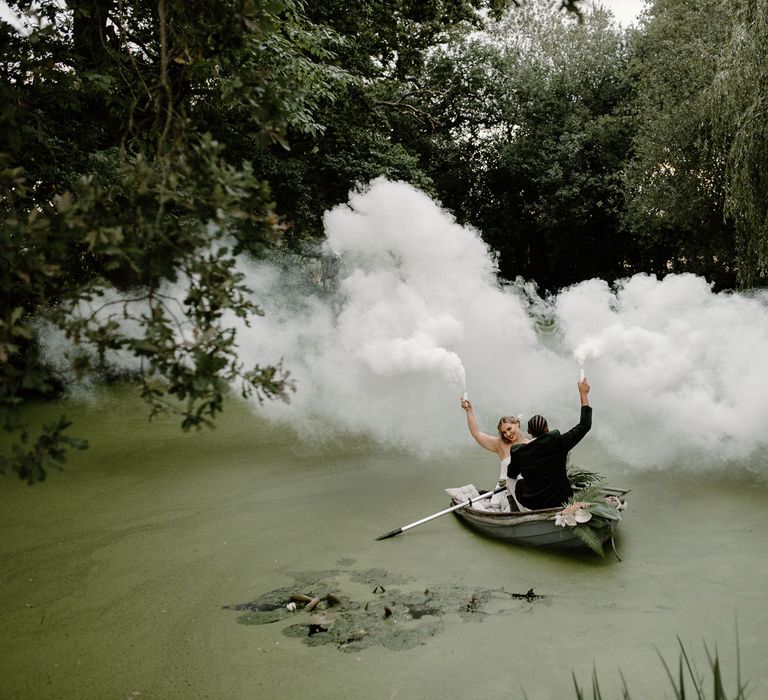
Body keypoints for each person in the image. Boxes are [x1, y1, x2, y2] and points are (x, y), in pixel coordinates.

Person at [507, 377, 592, 511]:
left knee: (511, 481)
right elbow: (585, 425)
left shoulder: (518, 452)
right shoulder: (559, 442)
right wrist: (583, 394)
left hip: (533, 503)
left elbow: (511, 474)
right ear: (547, 429)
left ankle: (519, 512)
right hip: (562, 500)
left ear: (529, 432)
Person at [459, 396, 528, 501]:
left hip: (525, 491)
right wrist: (469, 411)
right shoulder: (500, 445)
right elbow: (476, 433)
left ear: (517, 424)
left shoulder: (531, 444)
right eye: (504, 432)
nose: (508, 434)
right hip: (503, 492)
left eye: (509, 429)